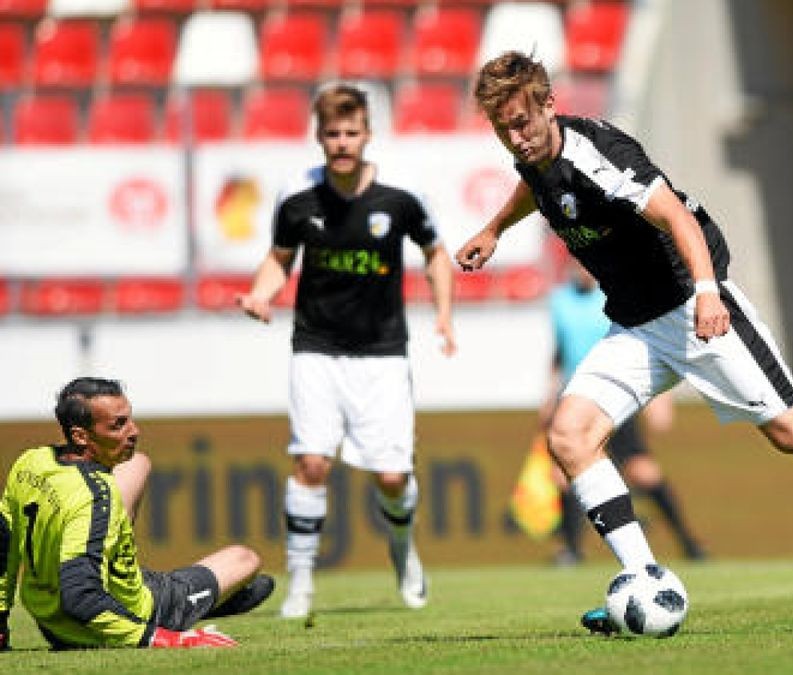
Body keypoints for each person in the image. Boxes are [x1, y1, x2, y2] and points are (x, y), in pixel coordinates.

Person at [457, 51, 793, 634]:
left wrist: (708, 294)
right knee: (569, 434)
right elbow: (536, 188)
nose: (516, 137)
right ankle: (645, 581)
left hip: (692, 303)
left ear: (550, 105)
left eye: (523, 123)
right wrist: (491, 229)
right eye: (502, 128)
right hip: (635, 323)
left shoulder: (601, 157)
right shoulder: (533, 157)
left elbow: (678, 218)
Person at [237, 83, 457, 619]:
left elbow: (436, 254)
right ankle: (302, 583)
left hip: (383, 353)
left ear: (367, 134)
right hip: (316, 347)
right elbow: (278, 257)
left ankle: (403, 553)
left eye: (351, 132)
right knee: (311, 463)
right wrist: (262, 294)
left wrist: (444, 315)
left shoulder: (400, 194)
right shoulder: (297, 196)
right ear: (319, 137)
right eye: (332, 133)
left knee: (392, 477)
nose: (342, 142)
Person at [0, 377, 273, 650]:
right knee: (246, 560)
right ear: (81, 436)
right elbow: (80, 597)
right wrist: (163, 637)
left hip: (48, 617)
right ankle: (185, 609)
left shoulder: (32, 461)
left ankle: (116, 559)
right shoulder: (93, 499)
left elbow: (4, 545)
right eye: (118, 425)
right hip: (112, 619)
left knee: (137, 463)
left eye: (129, 419)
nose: (134, 431)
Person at [543, 260, 707, 565]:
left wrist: (661, 398)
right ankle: (571, 550)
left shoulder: (613, 295)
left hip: (614, 395)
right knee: (562, 476)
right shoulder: (559, 301)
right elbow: (558, 352)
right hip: (573, 400)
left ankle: (688, 542)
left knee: (643, 472)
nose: (583, 270)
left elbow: (648, 342)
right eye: (576, 265)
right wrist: (548, 397)